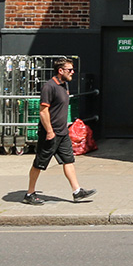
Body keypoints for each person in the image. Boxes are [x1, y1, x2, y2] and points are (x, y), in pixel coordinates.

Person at [23, 59, 96, 205]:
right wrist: (49, 131)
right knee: (40, 163)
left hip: (62, 133)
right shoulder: (49, 87)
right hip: (50, 133)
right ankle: (29, 193)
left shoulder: (64, 85)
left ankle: (77, 191)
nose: (73, 72)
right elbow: (43, 112)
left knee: (68, 160)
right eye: (70, 70)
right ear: (60, 71)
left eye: (73, 69)